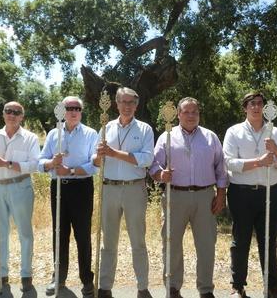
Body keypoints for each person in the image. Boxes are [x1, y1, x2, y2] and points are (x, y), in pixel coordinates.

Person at [149, 97, 227, 298]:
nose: (191, 115)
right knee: (171, 243)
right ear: (178, 114)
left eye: (195, 112)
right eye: (186, 112)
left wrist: (221, 194)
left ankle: (206, 289)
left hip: (205, 197)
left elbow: (221, 167)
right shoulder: (166, 137)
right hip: (175, 196)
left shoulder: (210, 137)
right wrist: (160, 175)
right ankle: (173, 287)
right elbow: (154, 165)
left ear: (199, 114)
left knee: (206, 244)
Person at [223, 92, 277, 298]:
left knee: (268, 241)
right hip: (241, 194)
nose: (256, 107)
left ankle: (272, 286)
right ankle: (237, 286)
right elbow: (229, 163)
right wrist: (259, 162)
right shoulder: (234, 132)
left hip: (271, 192)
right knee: (241, 240)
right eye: (252, 104)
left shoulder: (275, 132)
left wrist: (276, 149)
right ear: (245, 107)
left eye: (260, 103)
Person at [94, 87, 154, 298]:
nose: (127, 106)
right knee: (108, 241)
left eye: (131, 102)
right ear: (116, 104)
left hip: (134, 189)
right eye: (123, 102)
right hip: (109, 187)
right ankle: (104, 287)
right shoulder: (105, 127)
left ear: (136, 105)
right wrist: (99, 155)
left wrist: (113, 153)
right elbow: (95, 162)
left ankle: (142, 288)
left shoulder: (145, 129)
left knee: (138, 240)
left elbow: (146, 160)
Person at [0, 101, 40, 293]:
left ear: (22, 116)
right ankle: (1, 276)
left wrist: (7, 163)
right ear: (3, 114)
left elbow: (35, 165)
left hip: (20, 187)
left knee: (25, 234)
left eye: (16, 112)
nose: (12, 114)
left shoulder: (30, 138)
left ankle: (26, 276)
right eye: (8, 111)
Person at [39, 96, 99, 298]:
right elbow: (41, 162)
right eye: (69, 108)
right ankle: (59, 277)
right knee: (59, 234)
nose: (73, 111)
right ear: (62, 111)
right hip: (58, 188)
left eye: (77, 108)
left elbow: (95, 166)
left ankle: (87, 281)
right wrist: (51, 164)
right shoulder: (53, 134)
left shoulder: (91, 134)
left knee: (83, 236)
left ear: (81, 111)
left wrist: (71, 171)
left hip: (81, 188)